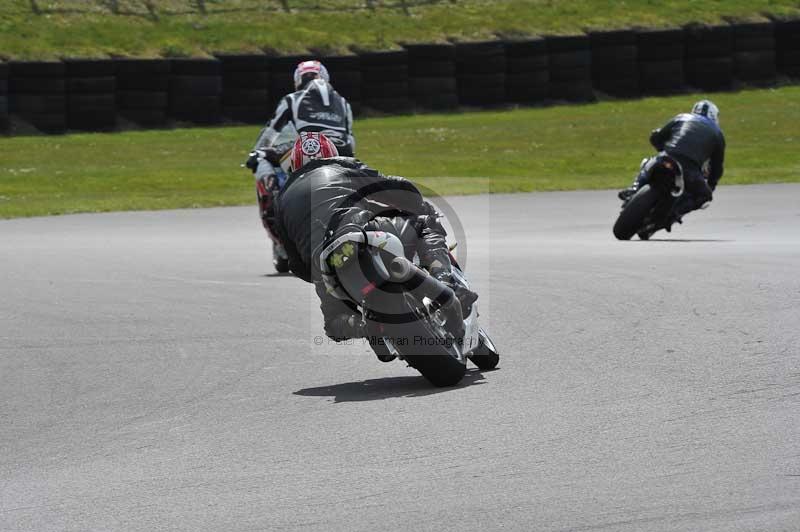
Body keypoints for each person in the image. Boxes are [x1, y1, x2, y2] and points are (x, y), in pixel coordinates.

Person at [274, 132, 476, 349]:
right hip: (356, 235)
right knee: (423, 223)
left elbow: (294, 263)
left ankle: (367, 327)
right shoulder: (343, 165)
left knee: (334, 323)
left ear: (294, 165)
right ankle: (446, 282)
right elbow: (389, 186)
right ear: (331, 153)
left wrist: (320, 275)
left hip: (324, 264)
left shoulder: (281, 200)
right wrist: (414, 201)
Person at [619, 100, 726, 230]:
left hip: (667, 157)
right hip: (690, 169)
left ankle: (634, 189)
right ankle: (673, 215)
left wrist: (662, 149)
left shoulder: (682, 117)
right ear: (714, 116)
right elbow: (717, 166)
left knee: (648, 161)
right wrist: (711, 185)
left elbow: (656, 136)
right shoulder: (718, 134)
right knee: (705, 196)